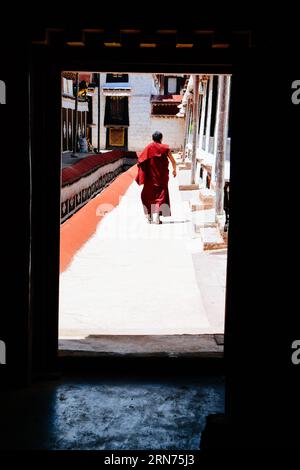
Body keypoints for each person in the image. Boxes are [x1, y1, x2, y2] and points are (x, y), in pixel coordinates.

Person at [135, 131, 177, 224]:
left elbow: (140, 161)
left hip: (150, 178)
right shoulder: (165, 148)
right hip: (162, 178)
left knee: (147, 195)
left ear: (152, 138)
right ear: (161, 138)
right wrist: (174, 170)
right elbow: (173, 161)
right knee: (161, 196)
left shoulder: (148, 148)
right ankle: (158, 216)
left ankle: (149, 216)